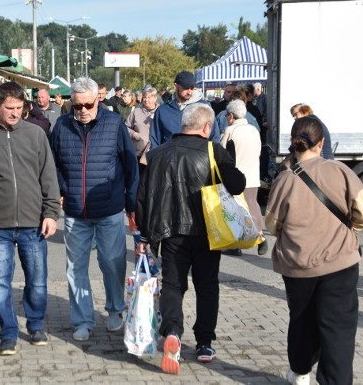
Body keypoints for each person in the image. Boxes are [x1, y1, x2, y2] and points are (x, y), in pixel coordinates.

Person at [136, 103, 245, 375]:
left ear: (183, 125)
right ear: (207, 127)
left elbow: (142, 196)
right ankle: (204, 343)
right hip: (209, 232)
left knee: (172, 285)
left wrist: (145, 235)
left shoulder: (157, 153)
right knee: (207, 286)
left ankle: (172, 331)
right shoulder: (213, 151)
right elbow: (238, 184)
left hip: (170, 232)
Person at [265, 116, 362, 385]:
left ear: (293, 144)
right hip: (340, 261)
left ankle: (300, 370)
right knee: (339, 327)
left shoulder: (284, 180)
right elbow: (361, 212)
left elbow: (272, 225)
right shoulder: (341, 171)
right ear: (321, 143)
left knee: (302, 320)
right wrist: (350, 224)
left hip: (298, 264)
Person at [0, 81, 61, 356]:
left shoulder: (36, 134)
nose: (14, 113)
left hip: (33, 222)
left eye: (19, 108)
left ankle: (35, 325)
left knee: (36, 280)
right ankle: (8, 332)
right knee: (0, 283)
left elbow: (48, 176)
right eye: (9, 108)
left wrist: (50, 214)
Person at [50, 77, 139, 342]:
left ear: (97, 100)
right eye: (77, 106)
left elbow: (130, 163)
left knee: (112, 263)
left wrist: (131, 202)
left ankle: (114, 310)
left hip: (110, 208)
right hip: (76, 212)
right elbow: (52, 164)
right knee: (75, 268)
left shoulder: (113, 124)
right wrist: (62, 189)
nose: (83, 111)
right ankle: (83, 320)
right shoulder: (62, 126)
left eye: (88, 104)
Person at [220, 100, 267, 257]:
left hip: (236, 176)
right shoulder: (253, 130)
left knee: (235, 210)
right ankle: (261, 237)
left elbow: (221, 152)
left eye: (227, 115)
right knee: (253, 205)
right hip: (253, 174)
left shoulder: (230, 130)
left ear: (231, 116)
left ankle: (236, 244)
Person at [151, 71, 220, 149]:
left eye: (192, 88)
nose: (189, 92)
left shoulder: (204, 107)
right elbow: (155, 140)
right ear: (175, 86)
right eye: (186, 88)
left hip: (198, 158)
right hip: (170, 158)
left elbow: (214, 136)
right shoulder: (163, 110)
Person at [125, 86, 159, 176]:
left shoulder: (161, 111)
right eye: (144, 97)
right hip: (138, 153)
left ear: (155, 98)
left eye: (149, 97)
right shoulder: (136, 111)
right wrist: (133, 133)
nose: (146, 100)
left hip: (156, 152)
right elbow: (125, 127)